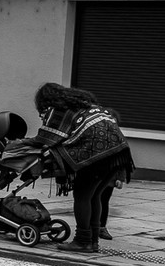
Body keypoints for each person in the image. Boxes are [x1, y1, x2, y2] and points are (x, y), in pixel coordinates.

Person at [28, 83, 134, 253]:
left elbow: (47, 139)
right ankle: (93, 241)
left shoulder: (58, 110)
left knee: (82, 196)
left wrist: (22, 144)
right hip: (118, 153)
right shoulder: (87, 107)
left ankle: (82, 241)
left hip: (98, 155)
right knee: (95, 196)